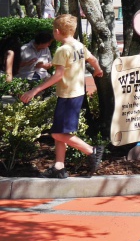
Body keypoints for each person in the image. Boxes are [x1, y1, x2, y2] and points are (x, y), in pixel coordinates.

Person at [20, 14, 104, 178]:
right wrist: (98, 70)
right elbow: (92, 59)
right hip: (75, 94)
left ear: (57, 32)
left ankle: (91, 150)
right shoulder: (78, 45)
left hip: (68, 96)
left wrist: (34, 90)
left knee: (57, 134)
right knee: (60, 131)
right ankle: (59, 167)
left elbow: (58, 75)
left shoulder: (62, 50)